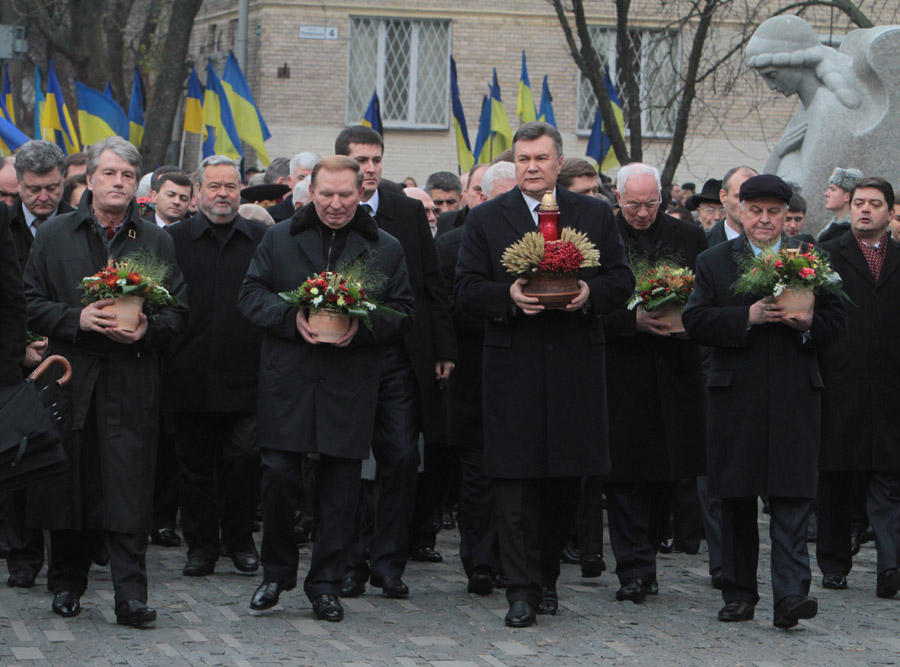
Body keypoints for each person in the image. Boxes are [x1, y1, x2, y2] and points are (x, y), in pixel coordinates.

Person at [455, 121, 634, 627]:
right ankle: (520, 590)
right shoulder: (488, 218)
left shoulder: (595, 215)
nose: (533, 167)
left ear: (559, 163)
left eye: (541, 158)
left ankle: (547, 578)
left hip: (575, 366)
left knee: (562, 486)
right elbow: (465, 288)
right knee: (513, 482)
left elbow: (621, 279)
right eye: (524, 159)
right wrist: (506, 297)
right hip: (513, 367)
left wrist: (588, 296)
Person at [238, 155, 415, 622]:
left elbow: (403, 311)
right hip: (288, 377)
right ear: (309, 192)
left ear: (362, 193)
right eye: (326, 194)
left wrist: (366, 324)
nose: (335, 204)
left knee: (342, 485)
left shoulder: (386, 246)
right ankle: (276, 575)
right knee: (278, 474)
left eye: (345, 195)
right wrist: (289, 317)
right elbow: (250, 295)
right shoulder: (278, 238)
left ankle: (326, 584)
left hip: (349, 380)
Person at [23, 136, 188, 626]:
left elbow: (179, 312)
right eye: (110, 173)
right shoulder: (53, 235)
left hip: (131, 377)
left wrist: (146, 329)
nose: (118, 183)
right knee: (68, 482)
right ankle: (67, 583)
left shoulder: (156, 241)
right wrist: (77, 319)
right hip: (71, 377)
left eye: (127, 176)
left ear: (137, 185)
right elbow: (28, 303)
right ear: (89, 179)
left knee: (129, 485)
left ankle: (130, 595)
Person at [682, 174, 846, 628]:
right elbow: (695, 321)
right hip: (735, 396)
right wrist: (746, 317)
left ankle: (791, 595)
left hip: (795, 394)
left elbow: (837, 322)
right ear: (740, 210)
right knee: (736, 498)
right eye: (756, 211)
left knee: (793, 496)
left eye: (774, 212)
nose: (765, 220)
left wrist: (808, 324)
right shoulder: (714, 260)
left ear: (786, 216)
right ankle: (738, 593)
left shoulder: (812, 258)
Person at [335, 126, 456, 598]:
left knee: (402, 459)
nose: (369, 169)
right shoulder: (328, 206)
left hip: (399, 355)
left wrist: (444, 349)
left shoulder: (405, 209)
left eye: (376, 159)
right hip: (344, 355)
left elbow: (432, 284)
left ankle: (389, 562)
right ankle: (349, 560)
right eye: (360, 160)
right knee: (344, 463)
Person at [601, 163, 708, 603]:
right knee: (625, 476)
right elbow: (589, 302)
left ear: (661, 200)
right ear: (617, 198)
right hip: (622, 370)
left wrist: (686, 321)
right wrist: (632, 321)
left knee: (666, 474)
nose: (642, 213)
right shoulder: (601, 236)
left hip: (675, 368)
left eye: (650, 204)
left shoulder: (688, 237)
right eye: (633, 204)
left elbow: (705, 296)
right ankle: (634, 570)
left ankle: (647, 556)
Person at [164, 155, 267, 578]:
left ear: (240, 191)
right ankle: (201, 546)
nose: (223, 194)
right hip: (188, 374)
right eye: (214, 186)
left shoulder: (262, 237)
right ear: (197, 192)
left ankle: (240, 541)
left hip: (247, 375)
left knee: (243, 460)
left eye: (230, 186)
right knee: (194, 466)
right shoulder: (172, 239)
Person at [817, 176, 900, 599]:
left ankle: (890, 564)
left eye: (875, 203)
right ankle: (833, 563)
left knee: (887, 479)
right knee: (836, 479)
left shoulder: (899, 257)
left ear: (890, 211)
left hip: (889, 387)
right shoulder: (827, 255)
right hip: (840, 382)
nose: (865, 209)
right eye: (859, 203)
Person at [0, 140, 74, 589]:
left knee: (62, 460)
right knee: (17, 458)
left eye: (52, 188)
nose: (43, 197)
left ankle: (68, 556)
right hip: (17, 363)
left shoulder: (78, 225)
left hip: (69, 355)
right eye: (33, 190)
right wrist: (18, 354)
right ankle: (23, 555)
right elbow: (12, 300)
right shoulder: (7, 224)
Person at [706, 167, 757, 245]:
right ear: (723, 197)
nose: (747, 204)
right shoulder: (701, 243)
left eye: (754, 197)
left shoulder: (778, 244)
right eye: (740, 197)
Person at [436, 164, 488, 237]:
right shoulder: (443, 222)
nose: (483, 197)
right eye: (478, 190)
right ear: (466, 191)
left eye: (488, 191)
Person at [267, 152, 321, 222]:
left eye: (312, 178)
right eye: (302, 178)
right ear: (290, 181)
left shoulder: (330, 216)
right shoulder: (271, 217)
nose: (308, 183)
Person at [818, 167, 863, 242]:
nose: (826, 193)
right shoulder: (834, 226)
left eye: (833, 189)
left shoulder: (851, 230)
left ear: (847, 196)